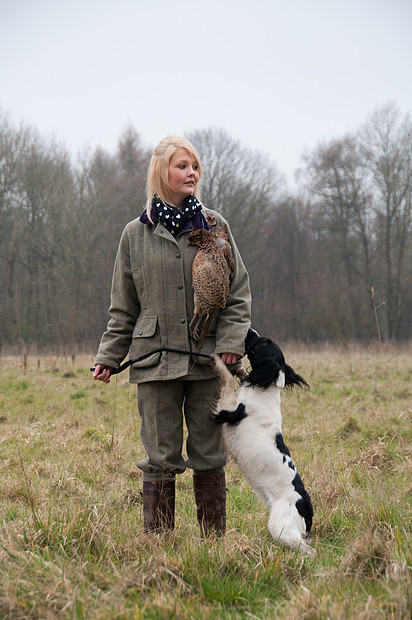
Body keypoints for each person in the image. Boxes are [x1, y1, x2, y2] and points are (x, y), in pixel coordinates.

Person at [93, 136, 251, 536]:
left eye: (195, 166)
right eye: (183, 166)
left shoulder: (216, 228)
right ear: (162, 172)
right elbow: (123, 306)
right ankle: (158, 546)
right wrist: (109, 356)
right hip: (153, 361)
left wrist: (231, 344)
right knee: (160, 457)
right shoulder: (135, 234)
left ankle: (213, 543)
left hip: (207, 360)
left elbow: (238, 295)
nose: (192, 173)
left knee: (210, 453)